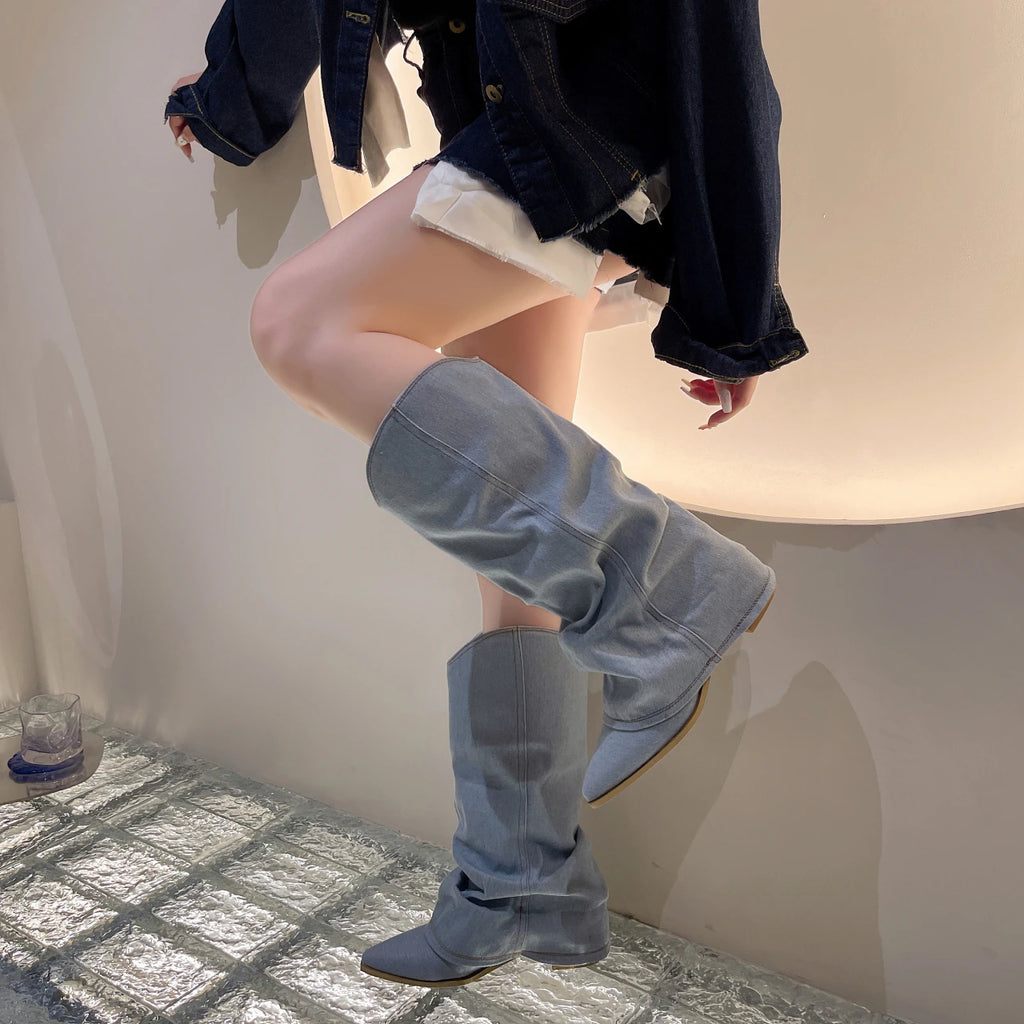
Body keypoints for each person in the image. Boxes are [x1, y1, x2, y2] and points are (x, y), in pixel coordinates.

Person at [166, 0, 802, 989]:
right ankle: (519, 885)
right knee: (518, 565)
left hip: (579, 138)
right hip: (519, 134)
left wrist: (736, 307)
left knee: (296, 324)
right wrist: (228, 95)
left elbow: (713, 32)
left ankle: (664, 591)